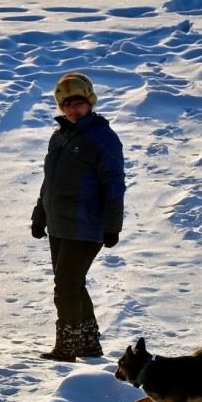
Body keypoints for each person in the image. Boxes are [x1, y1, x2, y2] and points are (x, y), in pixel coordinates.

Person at [31, 72, 126, 362]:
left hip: (86, 225)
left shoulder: (102, 138)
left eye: (78, 103)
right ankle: (88, 343)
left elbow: (114, 183)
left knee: (66, 286)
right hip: (59, 224)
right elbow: (50, 181)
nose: (72, 109)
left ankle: (68, 346)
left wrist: (112, 225)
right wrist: (39, 214)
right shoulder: (59, 138)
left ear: (89, 102)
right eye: (66, 104)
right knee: (72, 282)